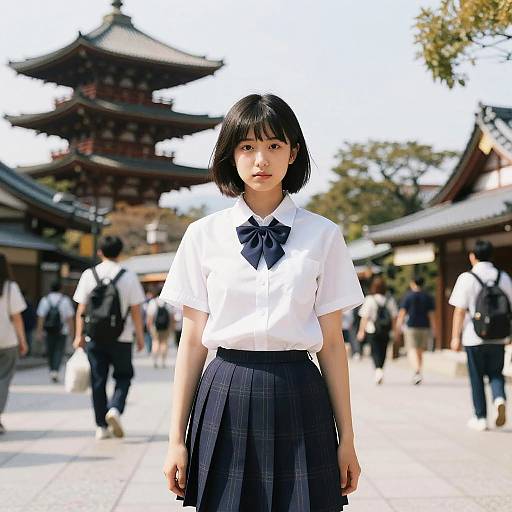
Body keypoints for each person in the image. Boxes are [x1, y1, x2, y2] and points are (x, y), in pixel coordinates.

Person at [161, 94, 364, 511]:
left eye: (274, 146)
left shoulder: (324, 235)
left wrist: (347, 439)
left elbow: (331, 343)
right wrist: (175, 440)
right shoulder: (202, 235)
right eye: (247, 146)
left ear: (294, 153)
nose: (261, 160)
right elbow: (193, 340)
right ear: (230, 154)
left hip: (300, 391)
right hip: (225, 389)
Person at [72, 236, 145, 440]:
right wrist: (140, 337)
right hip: (122, 337)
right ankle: (115, 408)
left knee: (98, 380)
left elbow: (81, 309)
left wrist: (78, 335)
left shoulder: (89, 274)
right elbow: (136, 311)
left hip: (94, 337)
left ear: (100, 252)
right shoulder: (129, 276)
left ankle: (101, 427)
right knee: (123, 376)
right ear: (120, 252)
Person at [449, 239, 512, 431]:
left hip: (473, 336)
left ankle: (480, 417)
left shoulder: (467, 278)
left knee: (476, 376)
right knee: (496, 372)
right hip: (499, 335)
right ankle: (499, 398)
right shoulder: (504, 277)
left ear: (472, 256)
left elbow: (459, 311)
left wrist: (455, 337)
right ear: (492, 256)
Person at [0, 253, 28, 434]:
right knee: (3, 380)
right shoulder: (10, 288)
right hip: (7, 340)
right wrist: (22, 341)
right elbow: (17, 318)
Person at [357, 276, 398, 385]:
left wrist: (361, 331)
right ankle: (380, 369)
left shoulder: (369, 300)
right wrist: (395, 330)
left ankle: (377, 370)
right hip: (386, 330)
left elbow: (364, 317)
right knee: (383, 351)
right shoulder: (390, 300)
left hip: (372, 330)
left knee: (375, 351)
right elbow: (394, 317)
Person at [395, 276, 436, 385]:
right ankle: (418, 371)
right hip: (425, 326)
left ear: (413, 283)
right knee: (420, 350)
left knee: (412, 349)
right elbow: (431, 315)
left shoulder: (408, 296)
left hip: (411, 326)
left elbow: (402, 313)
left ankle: (417, 370)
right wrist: (434, 328)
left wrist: (398, 326)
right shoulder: (428, 297)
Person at [36, 279, 75, 382]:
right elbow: (70, 318)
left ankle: (52, 370)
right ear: (61, 289)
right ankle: (55, 371)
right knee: (59, 351)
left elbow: (41, 317)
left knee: (50, 350)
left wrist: (39, 331)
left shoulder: (45, 300)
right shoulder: (65, 300)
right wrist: (73, 333)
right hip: (62, 331)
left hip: (48, 331)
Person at [146, 290, 175, 368]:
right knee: (164, 343)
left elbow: (150, 316)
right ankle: (163, 361)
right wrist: (171, 327)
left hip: (155, 327)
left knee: (155, 342)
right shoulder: (168, 302)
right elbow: (172, 317)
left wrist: (149, 326)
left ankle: (155, 360)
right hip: (166, 327)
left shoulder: (153, 302)